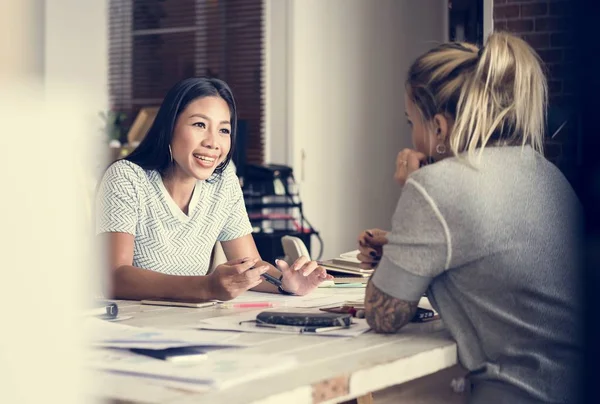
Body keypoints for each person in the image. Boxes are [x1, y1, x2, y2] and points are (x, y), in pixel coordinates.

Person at [357, 33, 582, 403]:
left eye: (410, 121)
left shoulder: (435, 185)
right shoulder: (545, 172)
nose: (412, 137)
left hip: (520, 392)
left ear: (440, 128)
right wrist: (403, 250)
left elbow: (383, 316)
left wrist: (414, 186)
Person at [96, 77, 332, 301]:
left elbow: (249, 266)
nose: (212, 142)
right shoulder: (126, 177)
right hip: (132, 327)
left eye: (223, 130)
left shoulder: (222, 179)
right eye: (199, 124)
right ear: (169, 128)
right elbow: (115, 278)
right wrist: (207, 287)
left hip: (195, 322)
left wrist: (286, 283)